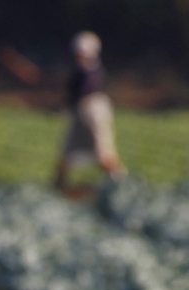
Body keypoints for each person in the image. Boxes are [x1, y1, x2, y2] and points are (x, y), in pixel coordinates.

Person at [54, 31, 126, 194]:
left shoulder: (92, 71)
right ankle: (58, 186)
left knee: (103, 152)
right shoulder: (79, 71)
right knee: (67, 151)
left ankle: (120, 183)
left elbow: (81, 90)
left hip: (93, 112)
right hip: (80, 111)